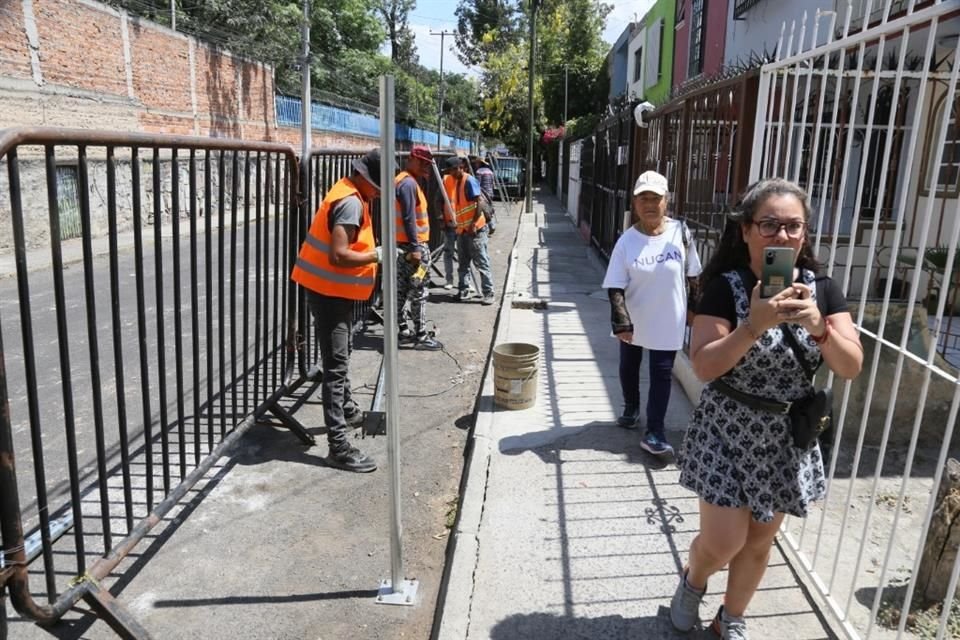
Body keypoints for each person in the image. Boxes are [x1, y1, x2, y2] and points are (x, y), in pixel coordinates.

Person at [670, 178, 863, 639]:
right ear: (746, 231)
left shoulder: (824, 290)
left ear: (805, 234)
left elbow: (850, 365)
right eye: (769, 224)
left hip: (783, 436)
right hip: (727, 427)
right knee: (723, 541)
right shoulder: (725, 288)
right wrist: (752, 327)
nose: (781, 236)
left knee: (759, 540)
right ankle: (694, 579)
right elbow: (704, 365)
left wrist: (818, 325)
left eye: (792, 226)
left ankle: (729, 618)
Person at [290, 148, 387, 473]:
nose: (378, 192)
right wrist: (377, 256)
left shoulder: (350, 191)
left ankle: (346, 409)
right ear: (365, 178)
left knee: (339, 357)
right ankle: (339, 447)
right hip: (329, 293)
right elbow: (339, 255)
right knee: (336, 368)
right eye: (377, 186)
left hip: (330, 292)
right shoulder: (351, 202)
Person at [601, 170, 702, 456]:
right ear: (635, 203)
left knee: (661, 373)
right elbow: (615, 285)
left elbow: (693, 274)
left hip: (669, 317)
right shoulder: (627, 241)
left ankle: (655, 431)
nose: (649, 204)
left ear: (666, 201)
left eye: (655, 198)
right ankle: (631, 406)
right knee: (628, 367)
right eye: (643, 198)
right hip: (634, 316)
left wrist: (694, 308)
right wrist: (621, 321)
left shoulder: (680, 232)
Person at [395, 146, 442, 350]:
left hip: (403, 246)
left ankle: (403, 331)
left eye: (428, 164)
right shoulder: (407, 184)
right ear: (412, 159)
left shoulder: (405, 181)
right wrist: (415, 247)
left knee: (402, 290)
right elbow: (409, 218)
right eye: (423, 163)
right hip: (413, 249)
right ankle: (420, 335)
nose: (426, 168)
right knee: (419, 290)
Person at [443, 155, 495, 305]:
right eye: (449, 171)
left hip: (475, 229)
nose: (451, 173)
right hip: (463, 230)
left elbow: (479, 203)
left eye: (453, 170)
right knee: (463, 263)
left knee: (481, 262)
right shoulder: (456, 182)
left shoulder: (468, 180)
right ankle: (464, 290)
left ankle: (488, 292)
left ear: (461, 167)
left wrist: (472, 224)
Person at [472, 156, 497, 235]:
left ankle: (491, 226)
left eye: (476, 163)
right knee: (489, 209)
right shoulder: (490, 171)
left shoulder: (479, 172)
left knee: (484, 211)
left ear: (479, 163)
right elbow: (493, 183)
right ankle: (490, 225)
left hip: (483, 194)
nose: (475, 164)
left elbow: (477, 184)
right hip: (490, 193)